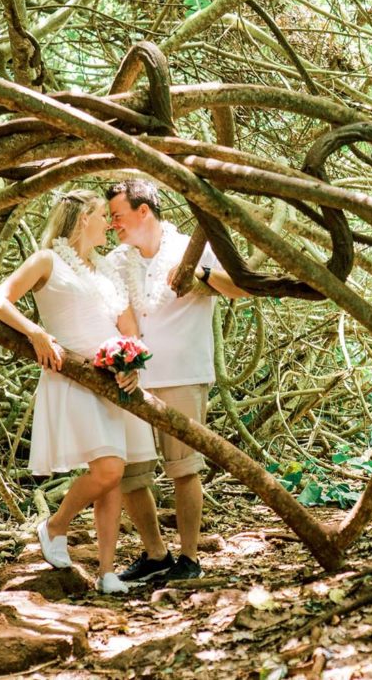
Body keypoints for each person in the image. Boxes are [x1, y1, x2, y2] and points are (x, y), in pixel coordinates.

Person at [0, 190, 157, 594]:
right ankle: (55, 525)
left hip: (110, 382)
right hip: (72, 376)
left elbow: (130, 332)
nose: (109, 223)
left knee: (111, 477)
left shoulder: (107, 271)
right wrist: (36, 333)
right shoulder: (47, 260)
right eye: (102, 215)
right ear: (82, 218)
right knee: (108, 470)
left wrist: (132, 366)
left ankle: (108, 572)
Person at [105, 179, 248, 584]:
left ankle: (189, 557)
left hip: (183, 373)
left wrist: (201, 273)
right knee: (131, 472)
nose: (114, 224)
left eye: (118, 215)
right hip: (130, 378)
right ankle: (155, 554)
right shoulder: (117, 260)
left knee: (184, 468)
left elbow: (240, 288)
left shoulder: (193, 247)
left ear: (143, 211)